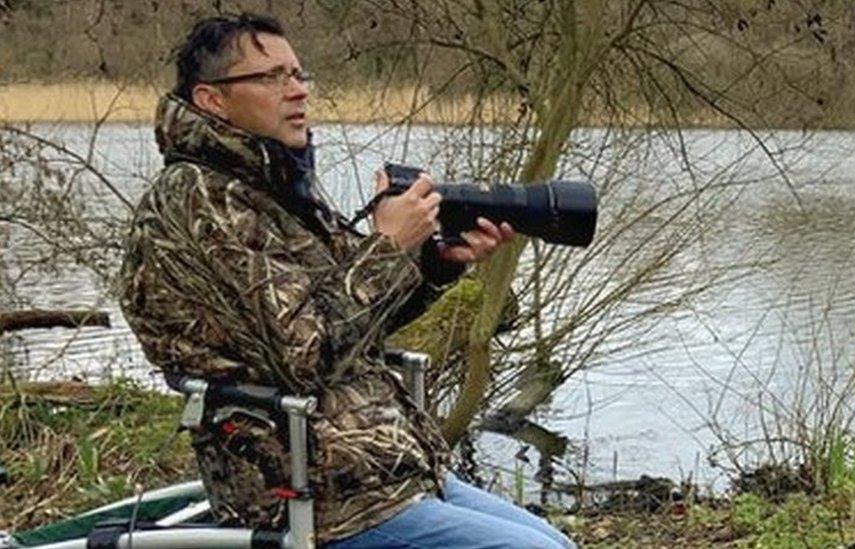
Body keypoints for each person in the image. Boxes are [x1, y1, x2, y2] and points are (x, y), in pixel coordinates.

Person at [118, 12, 573, 549]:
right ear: (212, 99)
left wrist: (435, 264)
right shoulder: (198, 200)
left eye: (298, 74)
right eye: (271, 77)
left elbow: (356, 324)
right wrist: (386, 247)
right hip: (310, 496)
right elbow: (303, 354)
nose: (296, 91)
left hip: (383, 471)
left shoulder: (279, 191)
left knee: (554, 542)